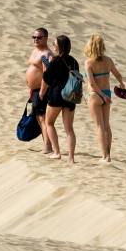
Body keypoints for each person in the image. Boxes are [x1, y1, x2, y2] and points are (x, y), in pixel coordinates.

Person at [82, 33, 126, 164]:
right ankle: (108, 153)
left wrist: (101, 95)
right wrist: (122, 84)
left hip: (95, 95)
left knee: (99, 127)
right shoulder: (108, 61)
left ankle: (105, 156)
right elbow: (118, 74)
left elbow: (91, 83)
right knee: (106, 125)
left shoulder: (88, 62)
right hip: (107, 93)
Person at [38, 34, 81, 163]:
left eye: (54, 44)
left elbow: (47, 79)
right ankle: (71, 158)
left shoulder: (55, 61)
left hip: (56, 96)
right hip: (70, 97)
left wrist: (41, 92)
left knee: (49, 123)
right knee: (69, 129)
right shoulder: (74, 61)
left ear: (59, 46)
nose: (53, 46)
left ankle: (57, 152)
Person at [27, 27, 55, 155]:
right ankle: (46, 144)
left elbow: (47, 75)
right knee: (39, 119)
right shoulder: (35, 50)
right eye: (34, 37)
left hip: (42, 90)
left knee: (43, 119)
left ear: (46, 38)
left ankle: (48, 147)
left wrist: (42, 92)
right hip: (34, 90)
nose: (36, 40)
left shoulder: (47, 54)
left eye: (39, 37)